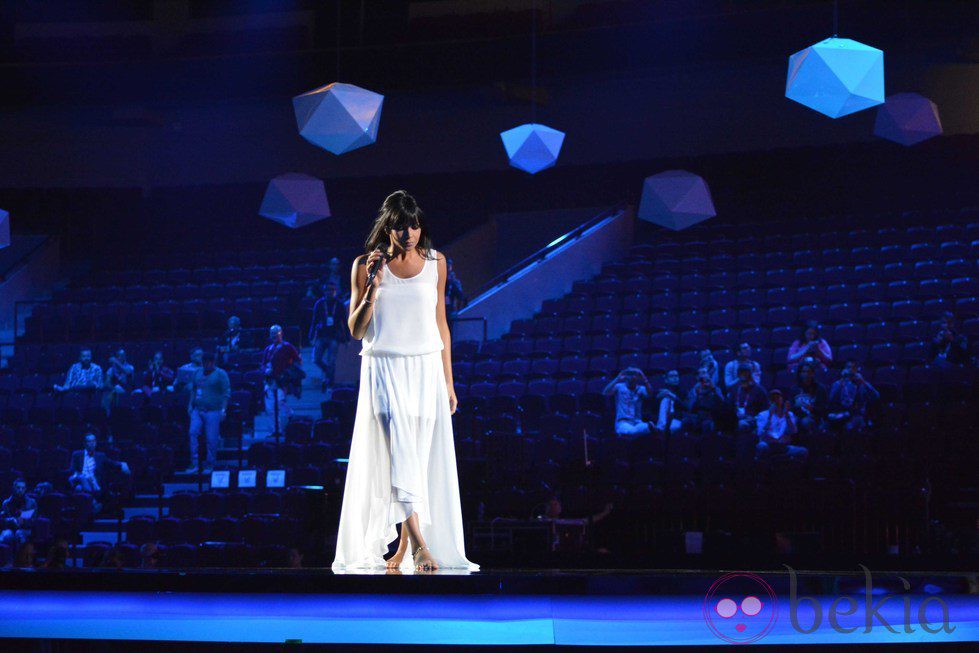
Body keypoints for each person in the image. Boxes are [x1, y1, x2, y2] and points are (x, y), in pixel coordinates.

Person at [333, 190, 477, 572]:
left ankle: (400, 547)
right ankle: (420, 547)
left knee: (417, 457)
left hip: (426, 367)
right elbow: (356, 330)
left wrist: (449, 382)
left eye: (414, 224)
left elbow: (441, 324)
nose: (409, 232)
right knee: (399, 451)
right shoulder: (365, 265)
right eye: (401, 225)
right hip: (384, 367)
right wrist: (373, 289)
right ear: (388, 227)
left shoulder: (437, 263)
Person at [184, 351, 231, 474]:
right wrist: (190, 405)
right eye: (204, 363)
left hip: (213, 411)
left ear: (213, 362)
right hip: (198, 409)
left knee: (211, 438)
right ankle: (194, 463)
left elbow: (226, 394)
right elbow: (194, 389)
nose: (207, 365)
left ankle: (210, 464)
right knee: (192, 433)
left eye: (209, 363)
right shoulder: (197, 372)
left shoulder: (221, 374)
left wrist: (223, 410)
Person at [69, 433, 131, 511]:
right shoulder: (77, 454)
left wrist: (123, 464)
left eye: (94, 441)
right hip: (80, 479)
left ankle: (90, 508)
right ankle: (94, 503)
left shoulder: (101, 456)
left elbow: (112, 463)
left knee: (79, 489)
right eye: (89, 441)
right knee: (82, 479)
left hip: (94, 482)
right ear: (84, 443)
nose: (92, 443)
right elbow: (72, 470)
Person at [261, 325, 302, 435]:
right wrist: (265, 371)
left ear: (281, 334)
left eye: (276, 334)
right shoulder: (268, 349)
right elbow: (263, 364)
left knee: (280, 402)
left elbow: (298, 361)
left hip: (282, 381)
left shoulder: (287, 347)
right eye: (272, 334)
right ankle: (275, 430)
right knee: (270, 407)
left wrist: (289, 372)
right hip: (270, 380)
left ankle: (290, 414)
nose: (274, 336)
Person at [309, 280, 349, 390]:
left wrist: (347, 337)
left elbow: (344, 322)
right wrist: (311, 335)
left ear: (335, 291)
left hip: (334, 336)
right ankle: (327, 374)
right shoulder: (319, 304)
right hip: (321, 335)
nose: (329, 292)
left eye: (332, 290)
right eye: (327, 290)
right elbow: (314, 320)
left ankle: (329, 383)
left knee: (332, 361)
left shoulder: (339, 304)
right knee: (316, 359)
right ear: (324, 291)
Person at [827, 360, 880, 432]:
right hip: (841, 413)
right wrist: (841, 381)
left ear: (857, 369)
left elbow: (876, 396)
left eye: (853, 368)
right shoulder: (839, 383)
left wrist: (863, 382)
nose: (851, 370)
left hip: (857, 414)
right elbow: (831, 398)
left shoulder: (862, 384)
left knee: (851, 425)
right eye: (848, 367)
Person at [755, 389, 807, 460]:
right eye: (773, 398)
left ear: (782, 399)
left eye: (778, 397)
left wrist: (787, 415)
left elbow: (793, 431)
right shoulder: (763, 415)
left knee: (802, 451)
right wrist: (770, 416)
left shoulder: (789, 414)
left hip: (783, 446)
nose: (776, 400)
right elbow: (760, 433)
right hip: (769, 445)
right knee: (762, 446)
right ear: (770, 401)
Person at [603, 367, 654, 438]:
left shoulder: (641, 388)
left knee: (645, 428)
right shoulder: (619, 387)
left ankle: (646, 428)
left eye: (634, 374)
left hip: (637, 422)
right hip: (623, 422)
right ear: (625, 376)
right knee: (632, 431)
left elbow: (650, 395)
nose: (632, 376)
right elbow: (605, 393)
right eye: (629, 374)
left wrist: (644, 378)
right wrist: (617, 379)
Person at [684, 365, 725, 435]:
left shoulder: (716, 389)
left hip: (711, 416)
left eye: (705, 373)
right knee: (686, 422)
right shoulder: (694, 390)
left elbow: (723, 405)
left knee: (706, 425)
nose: (703, 376)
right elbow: (689, 407)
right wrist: (696, 394)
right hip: (697, 416)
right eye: (701, 373)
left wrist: (713, 390)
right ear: (697, 377)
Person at [729, 363, 768, 433]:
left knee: (742, 425)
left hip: (753, 420)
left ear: (750, 374)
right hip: (735, 419)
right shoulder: (734, 389)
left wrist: (754, 418)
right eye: (741, 372)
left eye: (746, 372)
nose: (743, 375)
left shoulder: (759, 390)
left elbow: (765, 411)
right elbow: (729, 407)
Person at [791, 362, 828, 435]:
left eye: (809, 372)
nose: (806, 374)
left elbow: (824, 409)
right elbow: (791, 407)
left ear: (813, 373)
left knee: (806, 422)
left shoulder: (820, 389)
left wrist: (812, 409)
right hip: (798, 416)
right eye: (804, 372)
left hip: (815, 417)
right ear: (800, 373)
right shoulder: (794, 389)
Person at [1, 479, 37, 547]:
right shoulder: (6, 503)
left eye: (23, 488)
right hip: (11, 529)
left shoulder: (32, 503)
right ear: (13, 488)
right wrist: (10, 520)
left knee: (19, 534)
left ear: (25, 489)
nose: (20, 490)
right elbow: (3, 519)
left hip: (25, 529)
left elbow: (34, 519)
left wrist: (24, 520)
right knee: (6, 535)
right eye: (18, 488)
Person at [654, 369, 684, 434]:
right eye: (672, 376)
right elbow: (651, 409)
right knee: (666, 399)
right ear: (666, 380)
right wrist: (657, 398)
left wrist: (673, 396)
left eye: (676, 376)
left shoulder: (683, 392)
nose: (675, 378)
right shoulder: (659, 392)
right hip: (660, 420)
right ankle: (661, 427)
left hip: (676, 419)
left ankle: (660, 429)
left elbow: (685, 407)